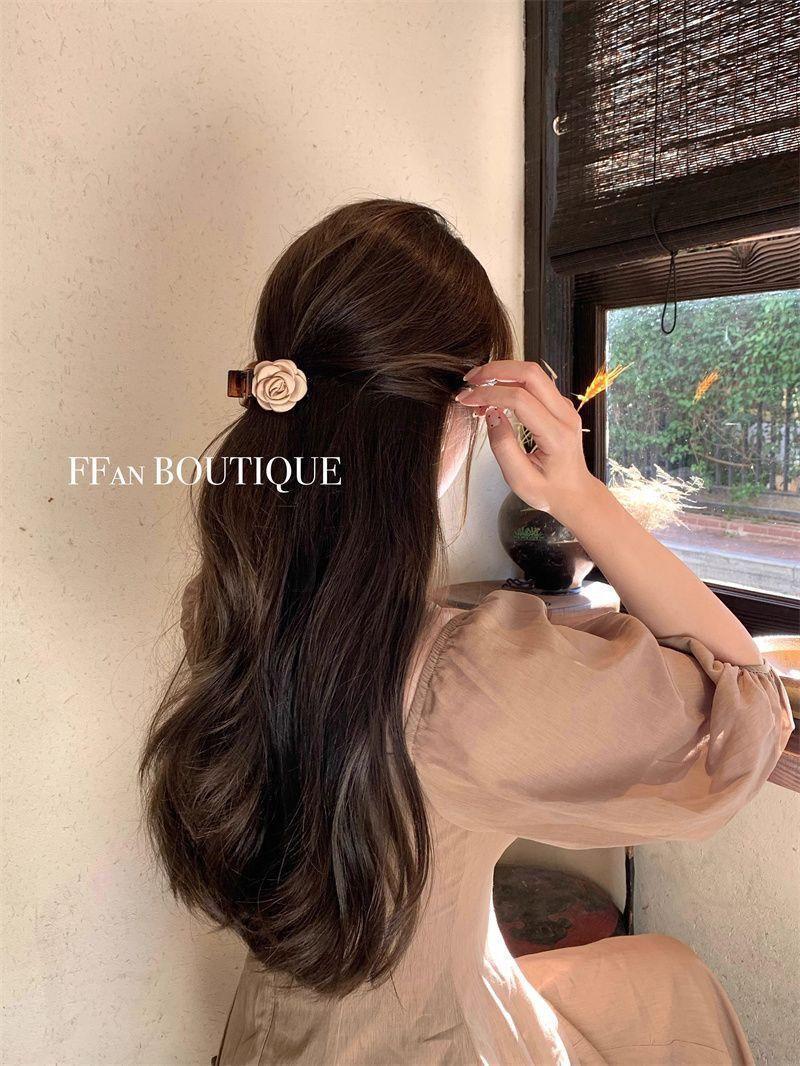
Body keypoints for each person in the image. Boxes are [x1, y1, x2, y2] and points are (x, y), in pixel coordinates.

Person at [139, 198, 793, 1065]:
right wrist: (579, 494)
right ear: (460, 412)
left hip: (274, 1037)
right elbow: (746, 702)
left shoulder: (229, 603)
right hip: (431, 1040)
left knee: (661, 980)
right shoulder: (462, 689)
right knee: (678, 993)